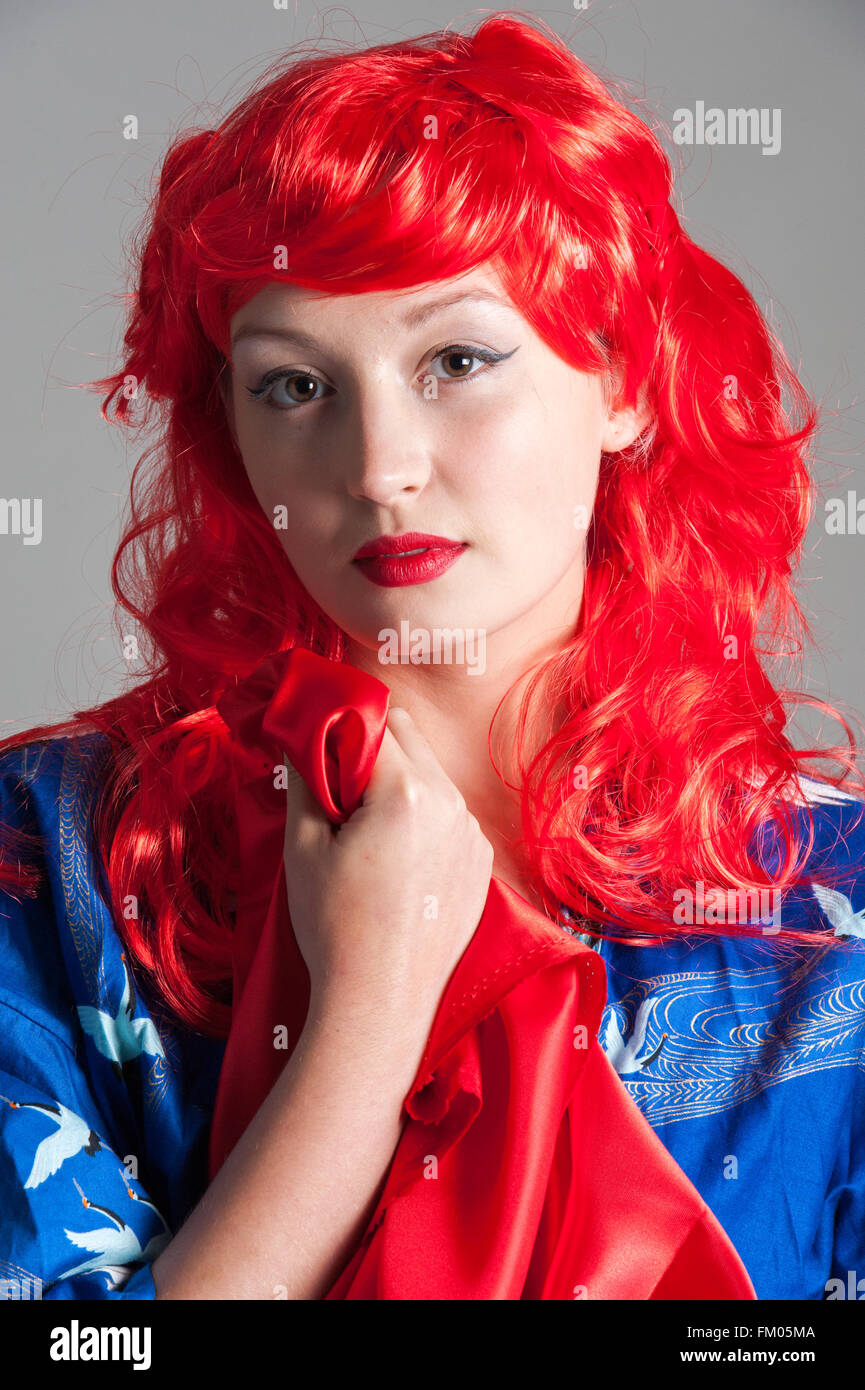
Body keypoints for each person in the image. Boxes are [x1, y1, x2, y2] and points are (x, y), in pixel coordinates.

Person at [1, 13, 863, 1302]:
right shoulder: (57, 850)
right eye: (296, 386)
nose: (380, 466)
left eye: (458, 360)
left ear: (621, 376)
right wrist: (365, 1017)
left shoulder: (829, 910)